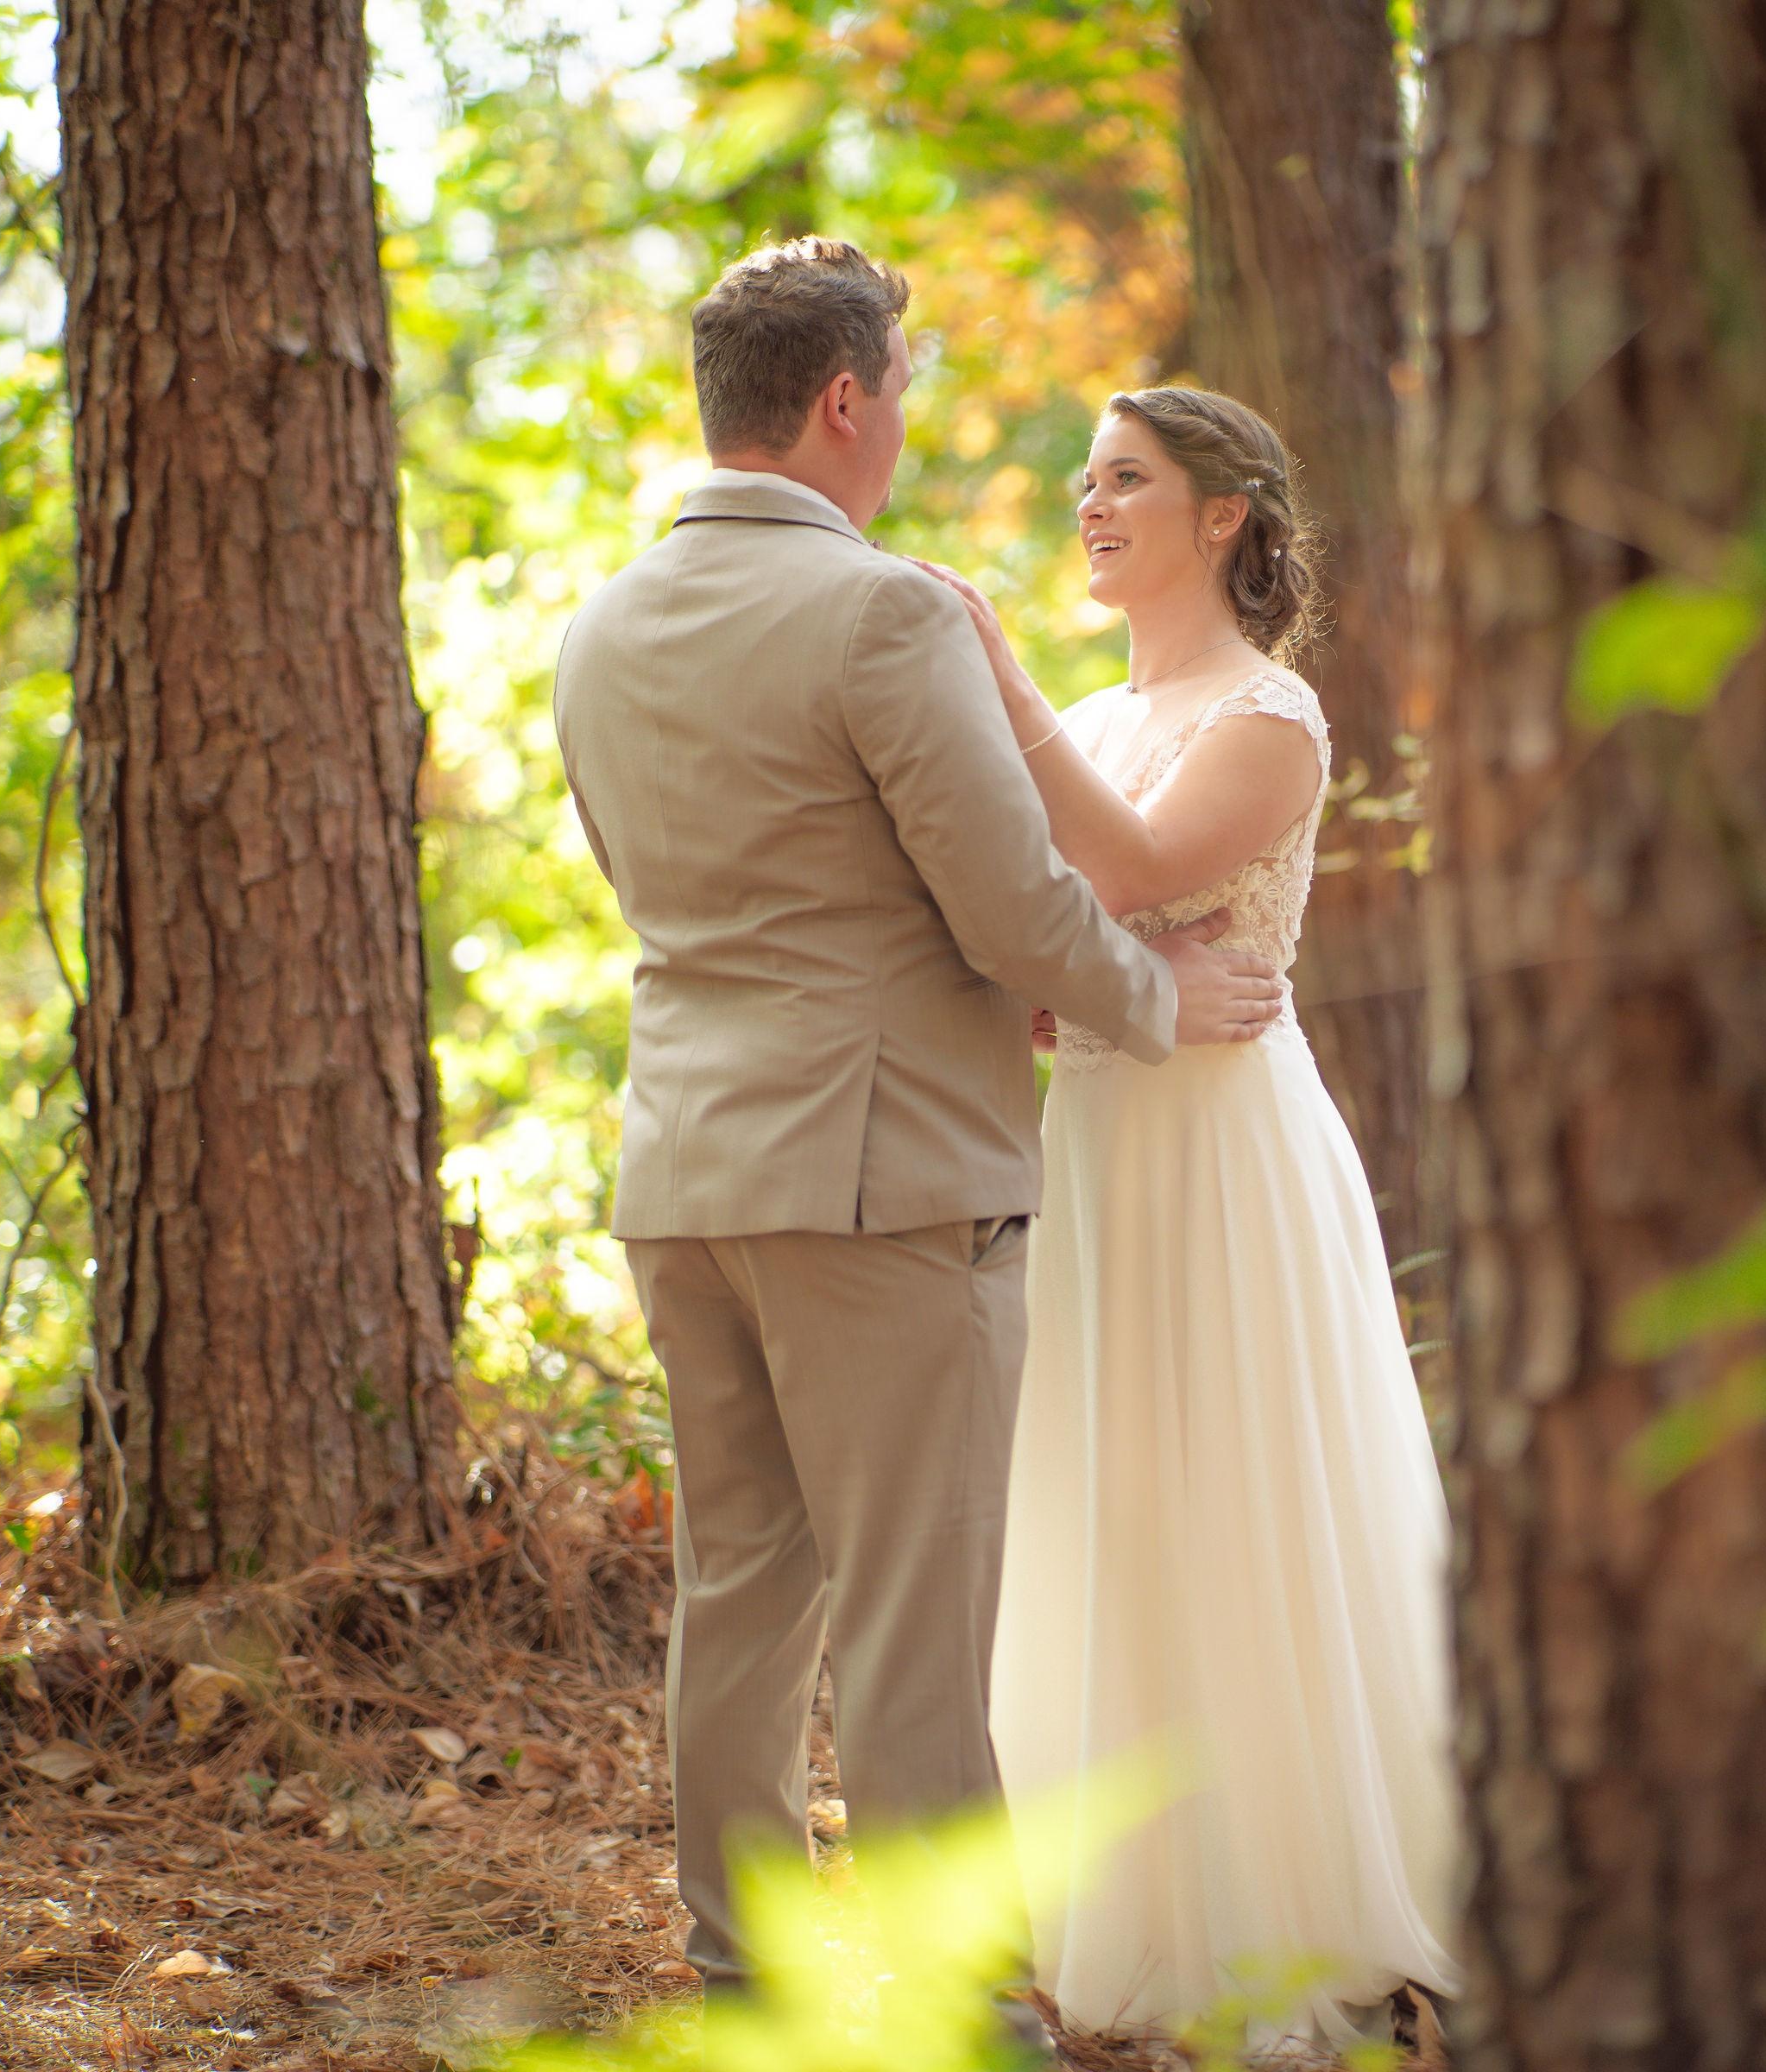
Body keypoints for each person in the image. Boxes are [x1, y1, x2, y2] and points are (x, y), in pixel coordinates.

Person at [548, 240, 1288, 2005]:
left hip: (687, 1172)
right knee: (915, 1622)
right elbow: (1015, 902)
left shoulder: (602, 624)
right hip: (883, 1185)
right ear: (843, 402)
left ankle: (746, 1981)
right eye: (902, 400)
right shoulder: (877, 610)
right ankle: (963, 2015)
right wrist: (1151, 996)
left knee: (739, 1596)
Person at [917, 386, 1466, 2049]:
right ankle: (1122, 1907)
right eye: (1083, 480)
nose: (1091, 506)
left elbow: (1137, 862)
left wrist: (995, 677)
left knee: (1239, 1497)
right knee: (1108, 1511)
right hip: (1089, 1150)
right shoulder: (1089, 709)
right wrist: (1060, 968)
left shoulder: (1270, 716)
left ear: (1221, 514)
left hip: (1225, 1157)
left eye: (1126, 481)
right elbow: (1030, 917)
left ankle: (1289, 1907)